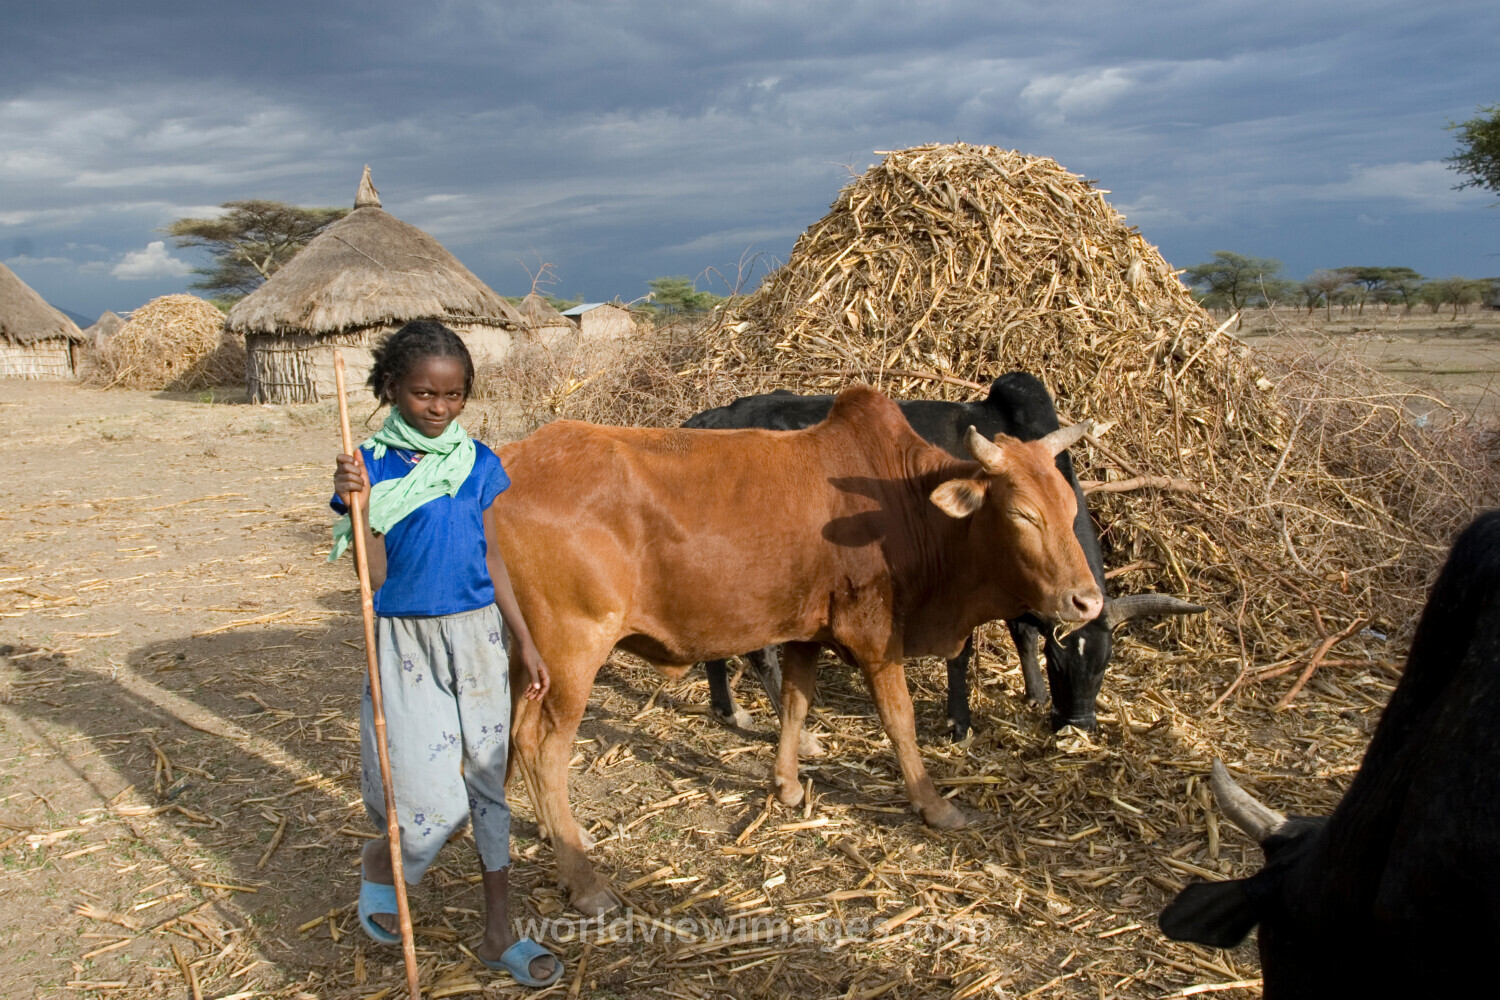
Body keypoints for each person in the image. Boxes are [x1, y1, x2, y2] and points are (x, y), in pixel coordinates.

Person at [330, 320, 561, 988]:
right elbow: (370, 575)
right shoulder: (368, 464)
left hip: (480, 634)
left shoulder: (479, 462)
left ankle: (499, 933)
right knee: (433, 802)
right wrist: (358, 505)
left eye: (453, 395)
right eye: (425, 394)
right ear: (393, 388)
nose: (440, 408)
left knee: (490, 782)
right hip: (405, 640)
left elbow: (492, 556)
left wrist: (526, 637)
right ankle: (384, 862)